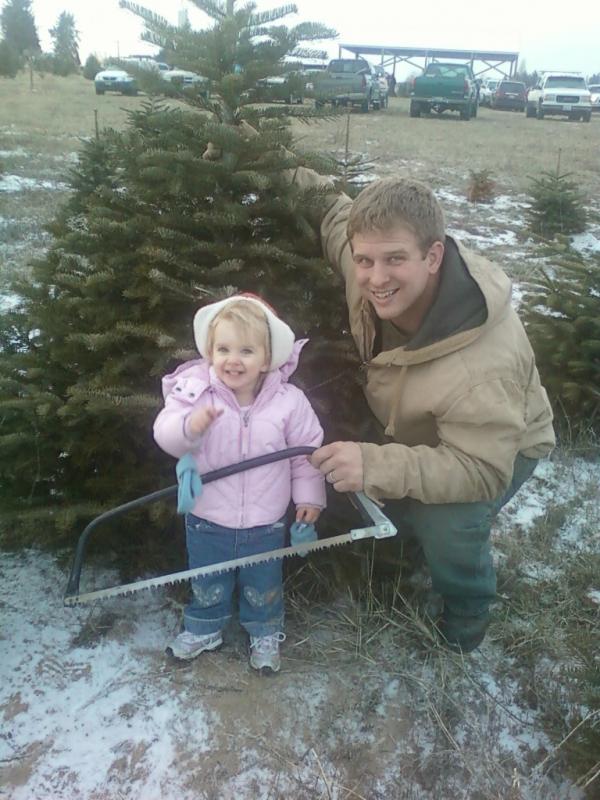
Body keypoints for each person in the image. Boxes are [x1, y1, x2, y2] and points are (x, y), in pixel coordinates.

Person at [296, 175, 556, 653]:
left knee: (446, 520)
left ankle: (466, 612)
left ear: (433, 256)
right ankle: (399, 551)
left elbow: (479, 471)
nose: (376, 278)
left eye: (395, 259)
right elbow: (332, 209)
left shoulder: (480, 367)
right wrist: (260, 151)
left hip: (497, 450)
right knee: (397, 499)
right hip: (414, 423)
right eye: (365, 260)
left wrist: (374, 464)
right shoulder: (370, 268)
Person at [153, 295, 326, 673]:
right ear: (210, 352)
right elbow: (166, 433)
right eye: (224, 348)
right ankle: (205, 627)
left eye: (246, 350)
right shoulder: (195, 391)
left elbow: (305, 453)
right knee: (207, 578)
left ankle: (264, 630)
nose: (233, 359)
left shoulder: (289, 402)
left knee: (262, 582)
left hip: (265, 522)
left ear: (267, 358)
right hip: (207, 517)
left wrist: (309, 496)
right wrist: (188, 428)